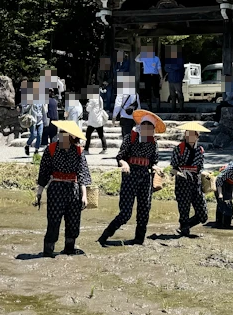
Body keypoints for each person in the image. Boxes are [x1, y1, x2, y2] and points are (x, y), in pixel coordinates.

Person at [98, 110, 163, 247]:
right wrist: (124, 163)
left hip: (145, 177)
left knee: (144, 209)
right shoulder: (130, 138)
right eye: (145, 127)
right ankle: (105, 235)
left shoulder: (153, 143)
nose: (148, 130)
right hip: (130, 176)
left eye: (150, 128)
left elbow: (154, 161)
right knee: (126, 212)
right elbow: (120, 157)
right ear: (141, 126)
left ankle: (139, 240)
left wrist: (156, 167)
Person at [36, 120, 92, 257]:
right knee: (54, 221)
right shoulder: (51, 149)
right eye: (61, 133)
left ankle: (69, 249)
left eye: (66, 134)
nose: (63, 136)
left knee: (73, 221)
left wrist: (84, 195)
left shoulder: (79, 151)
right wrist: (39, 193)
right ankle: (48, 251)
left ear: (73, 137)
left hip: (73, 190)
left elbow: (82, 174)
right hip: (56, 189)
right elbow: (43, 173)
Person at [170, 122, 210, 237]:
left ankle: (185, 226)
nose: (190, 137)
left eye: (193, 134)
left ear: (197, 136)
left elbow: (200, 168)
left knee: (203, 215)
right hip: (182, 184)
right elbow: (173, 169)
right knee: (184, 212)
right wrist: (180, 173)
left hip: (196, 184)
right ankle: (184, 228)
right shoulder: (179, 149)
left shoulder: (200, 150)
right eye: (188, 134)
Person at [112, 76, 140, 141]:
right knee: (130, 135)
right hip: (132, 117)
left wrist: (114, 117)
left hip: (124, 116)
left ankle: (127, 150)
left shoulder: (121, 93)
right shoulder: (135, 94)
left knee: (125, 136)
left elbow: (117, 105)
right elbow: (138, 107)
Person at [84, 86, 108, 154]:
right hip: (99, 119)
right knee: (101, 135)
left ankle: (86, 149)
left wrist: (87, 105)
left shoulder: (92, 99)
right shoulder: (100, 98)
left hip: (93, 121)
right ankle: (105, 148)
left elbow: (88, 109)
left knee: (88, 135)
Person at [23, 85, 45, 156]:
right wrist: (30, 104)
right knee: (34, 135)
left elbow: (43, 111)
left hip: (40, 121)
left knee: (39, 135)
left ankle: (36, 150)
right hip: (32, 120)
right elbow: (24, 109)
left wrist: (45, 120)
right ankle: (27, 145)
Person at [164, 45, 186, 110]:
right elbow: (166, 68)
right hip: (170, 80)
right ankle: (173, 108)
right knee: (172, 95)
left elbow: (178, 67)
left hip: (178, 79)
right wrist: (172, 68)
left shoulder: (180, 59)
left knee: (180, 94)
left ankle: (181, 108)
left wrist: (170, 68)